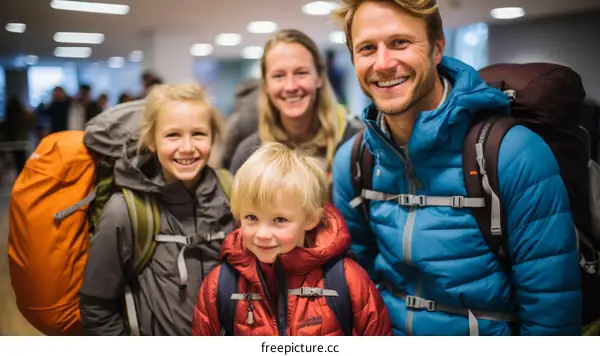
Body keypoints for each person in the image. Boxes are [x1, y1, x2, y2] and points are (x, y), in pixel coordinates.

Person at [331, 0, 582, 335]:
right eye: (366, 48)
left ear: (437, 48)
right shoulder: (353, 160)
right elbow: (356, 284)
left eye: (399, 42)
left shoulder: (512, 152)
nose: (384, 63)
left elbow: (551, 312)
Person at [79, 83, 236, 335]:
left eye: (198, 134)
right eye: (173, 135)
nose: (187, 147)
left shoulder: (232, 194)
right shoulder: (125, 211)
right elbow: (96, 306)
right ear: (151, 141)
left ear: (213, 137)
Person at [191, 142, 392, 336]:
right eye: (251, 217)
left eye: (279, 219)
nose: (262, 234)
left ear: (311, 219)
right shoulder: (220, 285)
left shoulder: (348, 280)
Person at [228, 29, 362, 177]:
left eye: (301, 73)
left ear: (319, 78)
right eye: (279, 76)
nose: (290, 86)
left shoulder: (355, 142)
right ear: (266, 84)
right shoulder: (249, 153)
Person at [220, 78, 260, 169]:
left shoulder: (241, 105)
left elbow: (230, 136)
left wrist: (225, 163)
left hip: (242, 160)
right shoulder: (266, 98)